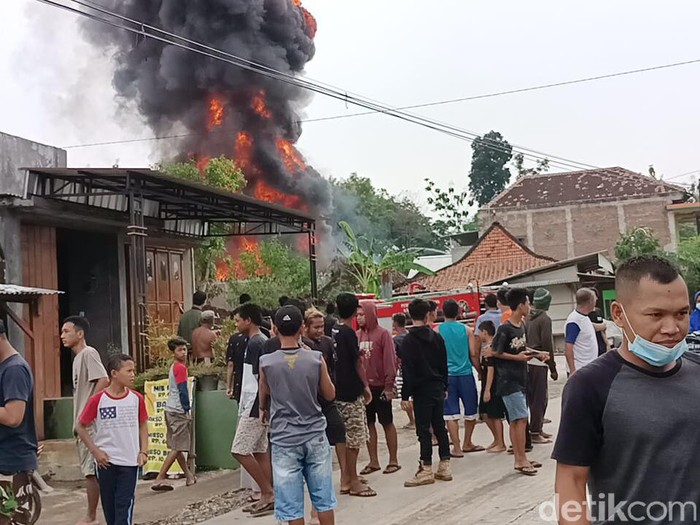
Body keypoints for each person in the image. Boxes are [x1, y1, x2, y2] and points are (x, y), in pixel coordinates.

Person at [553, 255, 700, 524]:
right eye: (656, 315)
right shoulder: (590, 386)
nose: (672, 328)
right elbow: (571, 482)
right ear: (619, 314)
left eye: (682, 313)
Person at [259, 306, 337, 525]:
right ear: (302, 328)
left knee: (291, 505)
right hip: (314, 435)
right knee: (323, 499)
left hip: (284, 439)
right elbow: (330, 394)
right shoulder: (316, 359)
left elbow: (263, 399)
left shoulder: (266, 363)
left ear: (274, 329)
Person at [76, 354, 148, 525]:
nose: (133, 375)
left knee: (123, 508)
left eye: (133, 371)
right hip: (106, 464)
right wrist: (95, 452)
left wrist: (144, 451)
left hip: (129, 463)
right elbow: (80, 427)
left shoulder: (136, 398)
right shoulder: (98, 399)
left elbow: (143, 425)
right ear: (114, 373)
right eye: (128, 371)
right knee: (110, 509)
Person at [492, 288, 546, 477]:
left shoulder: (520, 325)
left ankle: (520, 457)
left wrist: (537, 354)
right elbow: (495, 352)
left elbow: (521, 348)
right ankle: (520, 459)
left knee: (519, 420)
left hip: (520, 379)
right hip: (508, 381)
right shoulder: (504, 329)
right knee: (519, 420)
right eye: (528, 303)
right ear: (521, 305)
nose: (530, 306)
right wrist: (518, 359)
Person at [61, 315, 109, 525]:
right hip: (82, 424)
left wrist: (87, 410)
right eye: (62, 331)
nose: (62, 335)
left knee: (91, 473)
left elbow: (104, 379)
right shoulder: (77, 358)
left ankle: (91, 517)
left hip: (89, 425)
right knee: (90, 472)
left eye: (66, 331)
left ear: (80, 334)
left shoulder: (88, 353)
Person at [400, 298, 452, 487]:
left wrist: (405, 395)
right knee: (439, 426)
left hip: (421, 390)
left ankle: (426, 468)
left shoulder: (409, 340)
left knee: (424, 430)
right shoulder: (436, 337)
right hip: (437, 386)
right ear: (427, 314)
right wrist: (445, 385)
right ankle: (445, 464)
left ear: (410, 315)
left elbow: (408, 370)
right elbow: (443, 363)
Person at [230, 303, 273, 517]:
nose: (236, 324)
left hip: (256, 405)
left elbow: (260, 379)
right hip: (253, 404)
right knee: (259, 449)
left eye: (238, 320)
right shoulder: (254, 341)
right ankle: (268, 494)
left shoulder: (258, 342)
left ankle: (267, 491)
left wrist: (260, 405)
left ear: (248, 320)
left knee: (239, 449)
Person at [304, 308, 346, 525]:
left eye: (322, 326)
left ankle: (346, 476)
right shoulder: (302, 347)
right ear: (305, 327)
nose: (320, 331)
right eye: (316, 327)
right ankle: (313, 511)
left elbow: (333, 371)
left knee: (339, 432)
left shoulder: (328, 343)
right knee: (315, 462)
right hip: (311, 404)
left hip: (328, 400)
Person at [332, 293, 376, 498]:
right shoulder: (349, 334)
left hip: (335, 390)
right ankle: (353, 480)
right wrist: (365, 385)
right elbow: (357, 362)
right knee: (355, 437)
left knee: (343, 437)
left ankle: (346, 477)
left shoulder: (331, 329)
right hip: (350, 391)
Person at [356, 300, 400, 476]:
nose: (359, 318)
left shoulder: (383, 335)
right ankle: (373, 461)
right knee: (369, 424)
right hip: (365, 387)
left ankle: (393, 460)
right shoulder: (357, 335)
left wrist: (389, 385)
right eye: (357, 315)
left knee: (387, 422)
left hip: (381, 386)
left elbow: (390, 360)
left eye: (362, 314)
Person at [0, 319, 39, 510]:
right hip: (6, 459)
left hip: (11, 462)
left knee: (8, 516)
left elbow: (13, 417)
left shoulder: (14, 369)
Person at [438, 299, 483, 457]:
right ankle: (467, 442)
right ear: (459, 312)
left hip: (447, 376)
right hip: (465, 374)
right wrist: (480, 371)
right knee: (471, 410)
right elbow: (473, 354)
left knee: (450, 413)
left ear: (442, 312)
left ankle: (456, 448)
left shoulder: (437, 331)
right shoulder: (467, 330)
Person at [152, 337, 195, 492]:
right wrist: (186, 409)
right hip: (178, 411)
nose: (183, 353)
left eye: (184, 349)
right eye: (180, 350)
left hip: (170, 409)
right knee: (177, 447)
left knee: (176, 446)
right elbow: (183, 390)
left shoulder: (174, 367)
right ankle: (160, 476)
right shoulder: (180, 368)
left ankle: (189, 476)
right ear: (173, 352)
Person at [525, 289, 558, 445]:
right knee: (540, 398)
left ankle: (536, 427)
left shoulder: (528, 317)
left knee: (534, 398)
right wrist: (553, 367)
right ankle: (535, 431)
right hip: (540, 362)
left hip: (528, 361)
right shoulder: (545, 319)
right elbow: (547, 344)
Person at [476, 321, 506, 453]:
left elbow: (491, 370)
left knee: (495, 414)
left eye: (480, 332)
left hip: (492, 385)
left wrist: (487, 389)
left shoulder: (491, 348)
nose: (479, 335)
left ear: (485, 332)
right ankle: (496, 439)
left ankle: (501, 442)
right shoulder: (488, 347)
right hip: (486, 384)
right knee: (484, 413)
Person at [564, 288, 603, 375]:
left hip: (588, 368)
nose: (596, 301)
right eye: (595, 299)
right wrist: (572, 371)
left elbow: (588, 328)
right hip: (580, 370)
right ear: (590, 302)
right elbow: (568, 347)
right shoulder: (574, 321)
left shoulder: (584, 317)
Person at [392, 313, 414, 429]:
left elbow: (395, 357)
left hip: (402, 369)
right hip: (414, 368)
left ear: (395, 324)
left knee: (405, 397)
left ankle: (412, 420)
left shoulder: (395, 340)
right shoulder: (410, 336)